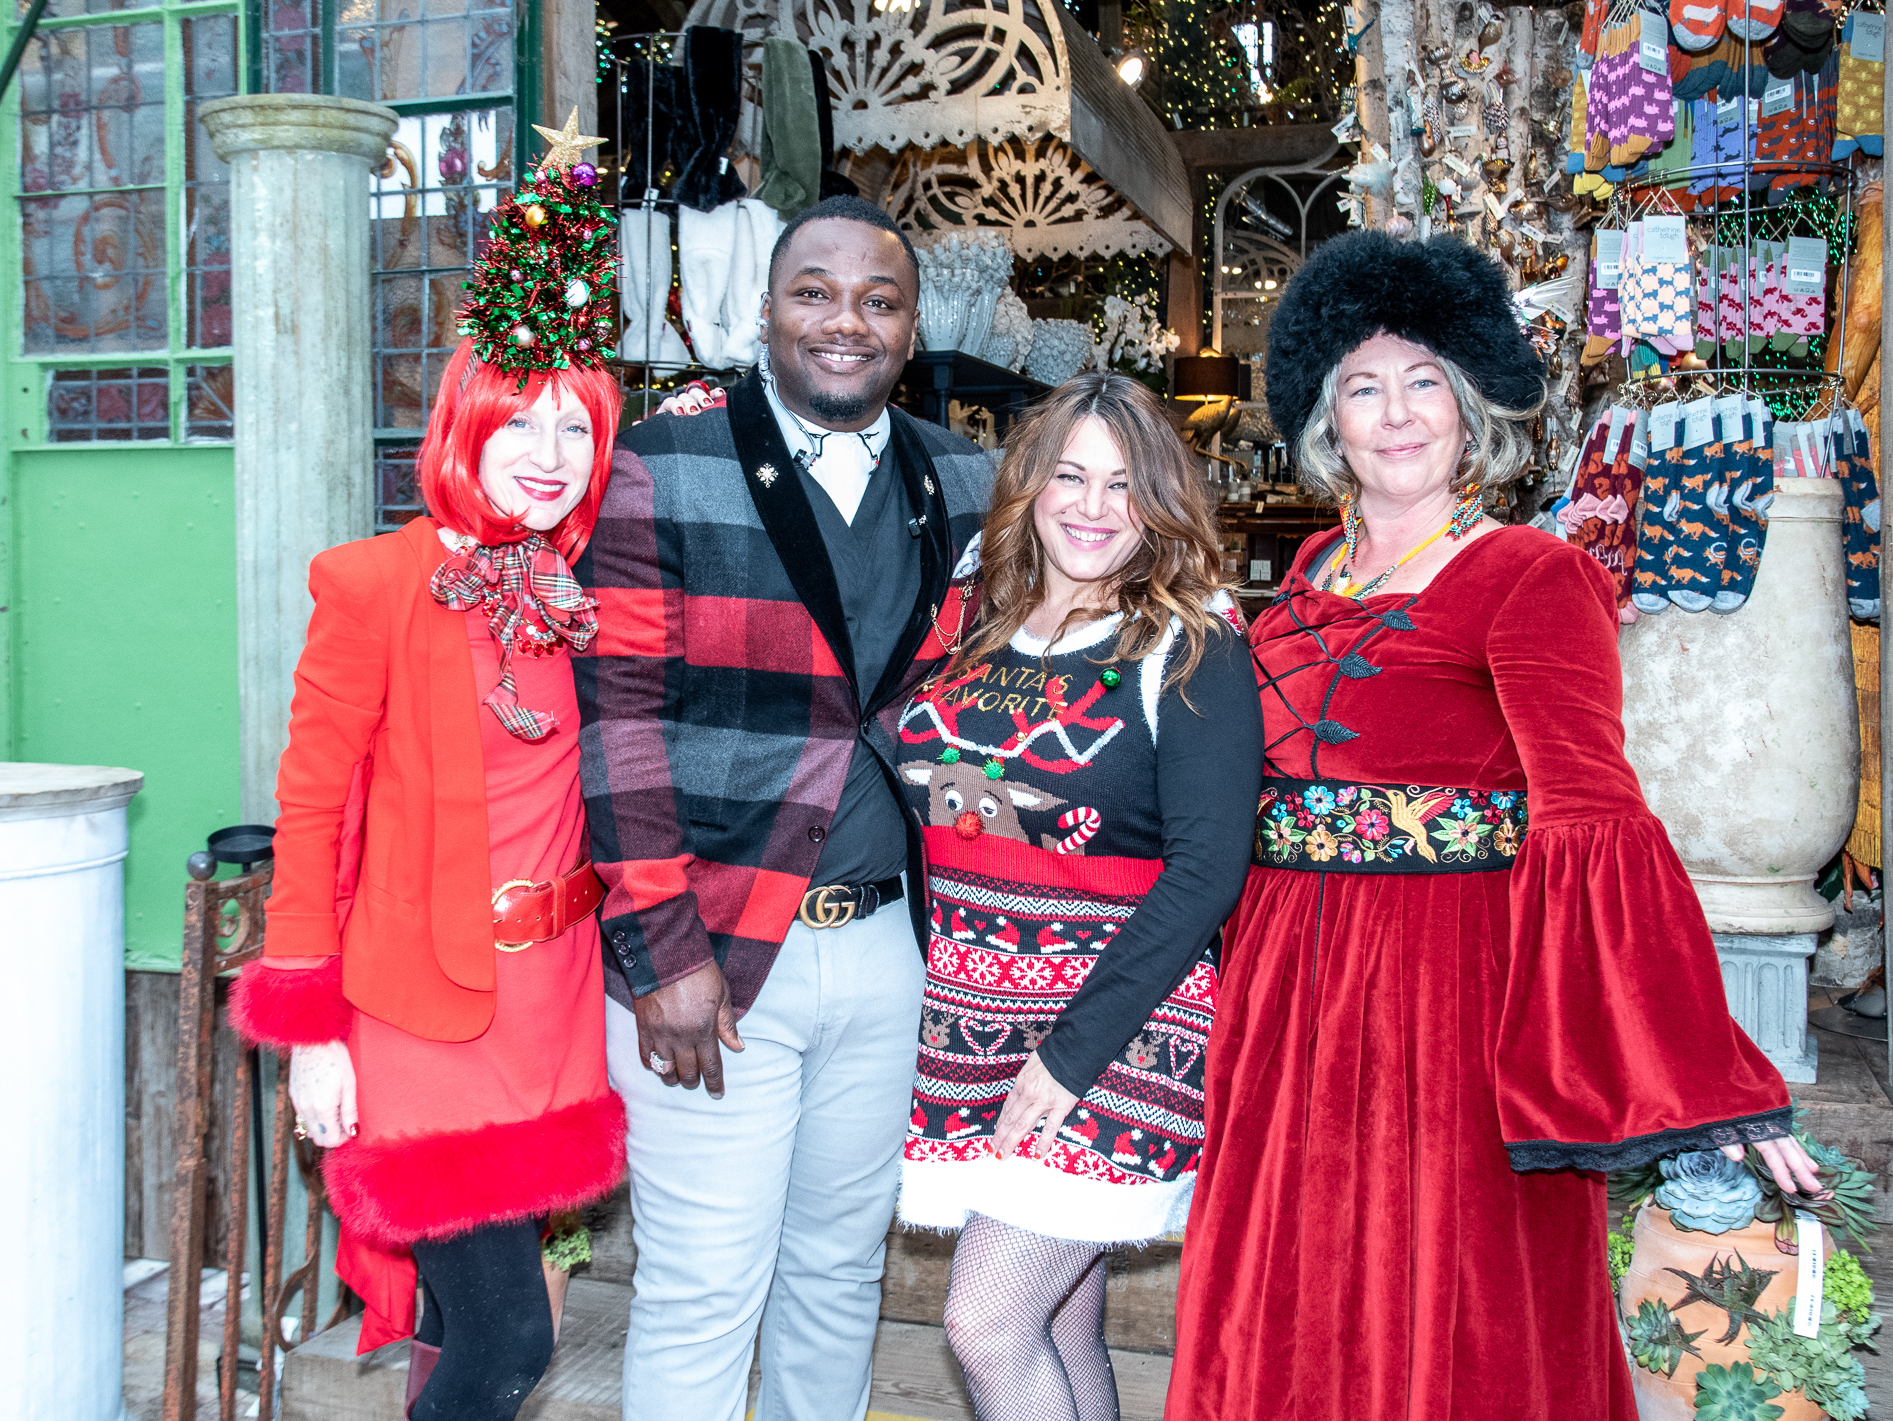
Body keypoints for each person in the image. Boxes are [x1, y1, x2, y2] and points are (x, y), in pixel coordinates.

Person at [1164, 231, 1820, 1420]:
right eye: (1363, 386)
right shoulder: (1305, 576)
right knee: (1292, 1287)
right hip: (1282, 996)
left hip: (1441, 997)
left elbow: (1591, 815)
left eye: (1423, 383)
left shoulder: (1529, 573)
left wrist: (1706, 1077)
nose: (1396, 412)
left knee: (1451, 1298)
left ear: (1469, 411)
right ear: (1328, 419)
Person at [573, 195, 994, 1421]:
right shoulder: (665, 463)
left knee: (835, 1271)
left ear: (910, 328)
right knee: (703, 1287)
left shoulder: (962, 477)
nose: (844, 321)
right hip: (713, 956)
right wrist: (660, 949)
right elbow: (620, 727)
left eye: (877, 299)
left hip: (889, 949)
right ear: (764, 309)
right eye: (814, 291)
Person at [226, 333, 625, 1419]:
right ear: (462, 426)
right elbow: (307, 814)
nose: (550, 452)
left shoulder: (572, 591)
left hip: (550, 1007)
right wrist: (311, 1033)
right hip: (420, 1014)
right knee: (510, 1337)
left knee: (458, 1326)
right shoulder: (372, 583)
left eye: (575, 425)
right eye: (519, 420)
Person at [890, 373, 1260, 1421]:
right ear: (1029, 486)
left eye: (1124, 485)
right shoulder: (976, 619)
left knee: (986, 1322)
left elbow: (1205, 872)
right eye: (1071, 477)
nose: (1094, 507)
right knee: (1055, 1323)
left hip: (1119, 1026)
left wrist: (1067, 1054)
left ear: (1160, 504)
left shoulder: (1188, 640)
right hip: (978, 1008)